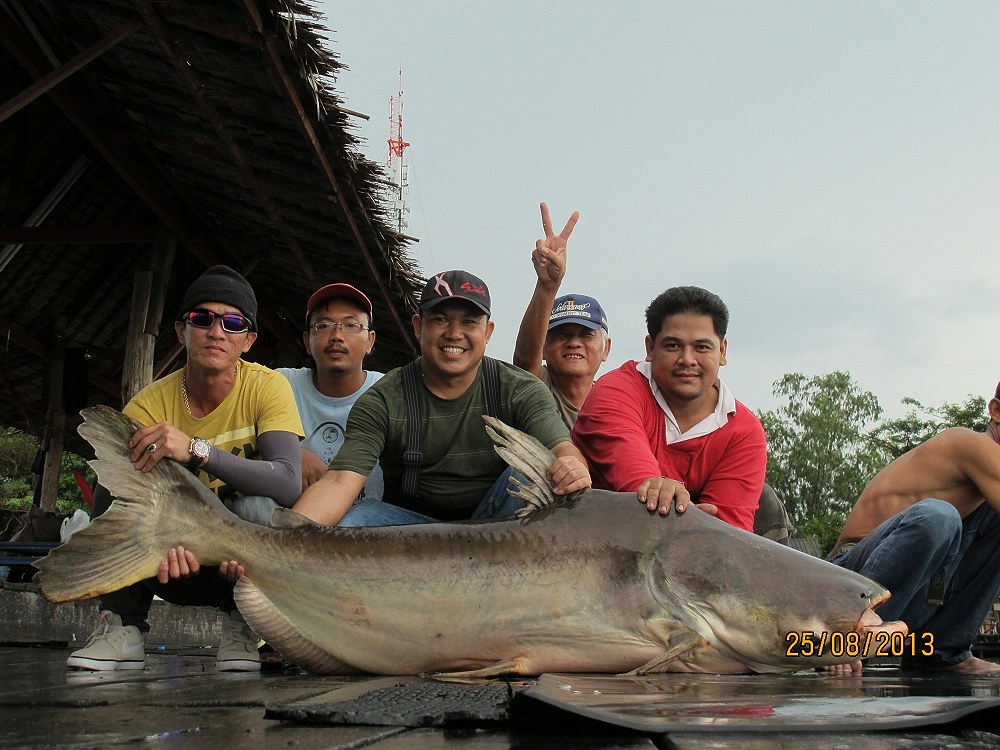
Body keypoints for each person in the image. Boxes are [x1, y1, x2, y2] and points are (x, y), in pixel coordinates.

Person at [67, 265, 303, 673]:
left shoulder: (267, 387)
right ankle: (122, 625)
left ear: (248, 340)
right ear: (181, 331)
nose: (216, 331)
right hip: (169, 558)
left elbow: (287, 481)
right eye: (202, 318)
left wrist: (197, 449)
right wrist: (160, 541)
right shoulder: (148, 405)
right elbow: (117, 497)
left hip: (241, 562)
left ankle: (243, 627)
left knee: (259, 507)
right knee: (118, 475)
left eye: (232, 322)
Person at [292, 269, 592, 526]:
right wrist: (283, 536)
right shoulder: (383, 399)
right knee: (359, 518)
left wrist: (572, 467)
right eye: (440, 319)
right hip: (411, 530)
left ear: (487, 332)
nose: (454, 333)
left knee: (533, 471)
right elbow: (340, 481)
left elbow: (563, 449)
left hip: (498, 529)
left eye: (469, 322)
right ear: (418, 327)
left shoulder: (519, 389)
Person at [827, 383, 1000, 674]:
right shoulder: (968, 443)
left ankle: (945, 651)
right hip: (850, 577)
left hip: (917, 588)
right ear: (996, 410)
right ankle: (842, 638)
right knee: (939, 516)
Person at [573, 285, 766, 532]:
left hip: (680, 559)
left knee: (767, 500)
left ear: (722, 351)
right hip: (595, 538)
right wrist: (677, 508)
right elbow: (644, 491)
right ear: (650, 349)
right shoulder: (616, 391)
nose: (687, 359)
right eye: (673, 346)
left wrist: (693, 522)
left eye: (702, 347)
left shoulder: (744, 431)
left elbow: (728, 537)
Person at [276, 282, 384, 499]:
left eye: (351, 325)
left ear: (370, 341)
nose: (337, 335)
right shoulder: (280, 384)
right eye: (323, 325)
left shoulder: (388, 392)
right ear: (307, 341)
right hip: (288, 513)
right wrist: (291, 453)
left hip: (367, 523)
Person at [513, 202, 611, 429]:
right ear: (544, 347)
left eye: (586, 335)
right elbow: (525, 362)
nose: (574, 343)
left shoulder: (616, 400)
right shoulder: (538, 387)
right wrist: (547, 285)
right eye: (561, 335)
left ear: (606, 348)